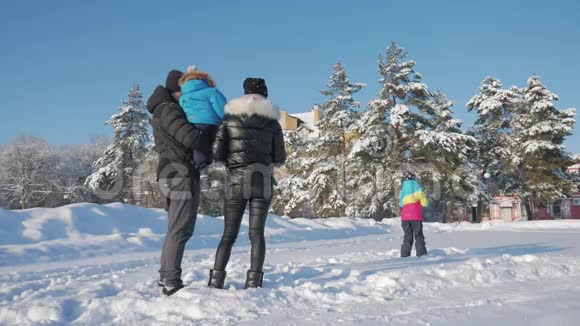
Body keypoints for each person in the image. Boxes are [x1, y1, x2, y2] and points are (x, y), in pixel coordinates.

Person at [208, 78, 286, 289]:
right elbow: (280, 158)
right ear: (265, 95)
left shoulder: (229, 118)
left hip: (236, 181)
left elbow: (216, 153)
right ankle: (254, 281)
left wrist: (232, 163)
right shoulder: (272, 122)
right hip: (263, 182)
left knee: (228, 234)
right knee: (257, 234)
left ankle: (216, 280)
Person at [146, 69, 214, 296]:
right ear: (178, 90)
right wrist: (211, 134)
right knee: (180, 228)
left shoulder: (164, 108)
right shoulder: (169, 109)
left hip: (172, 172)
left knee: (176, 227)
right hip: (179, 173)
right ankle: (171, 281)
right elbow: (191, 138)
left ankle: (166, 275)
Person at [178, 66, 226, 189]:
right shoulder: (210, 91)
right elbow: (222, 107)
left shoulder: (183, 96)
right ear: (204, 79)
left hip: (191, 124)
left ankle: (200, 171)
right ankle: (205, 173)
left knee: (197, 148)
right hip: (209, 123)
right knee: (209, 146)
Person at [399, 171, 429, 257]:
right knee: (418, 234)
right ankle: (421, 254)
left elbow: (401, 204)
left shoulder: (402, 190)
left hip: (405, 217)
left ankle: (405, 255)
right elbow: (425, 203)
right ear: (414, 178)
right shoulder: (418, 189)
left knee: (407, 235)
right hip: (416, 216)